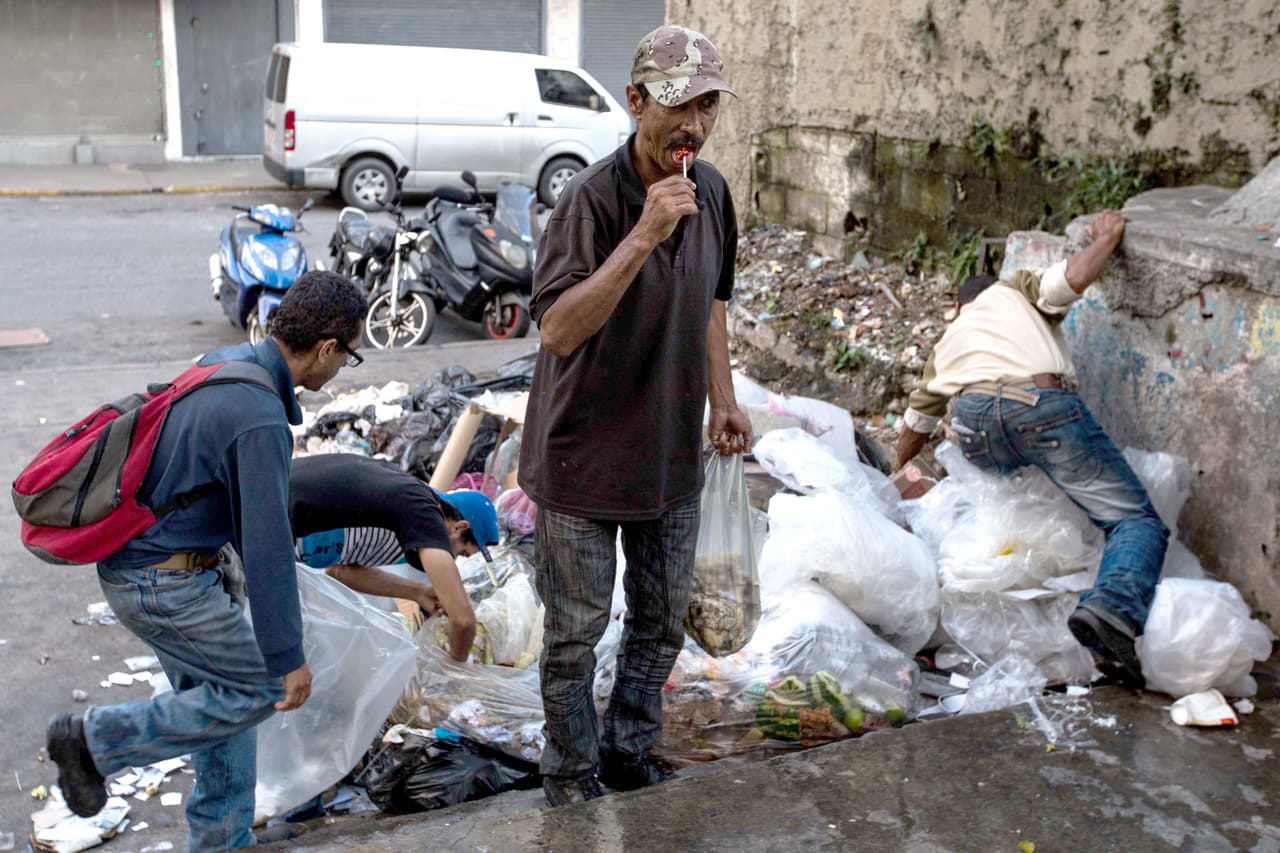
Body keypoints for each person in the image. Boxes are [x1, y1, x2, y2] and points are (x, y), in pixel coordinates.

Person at [45, 271, 367, 851]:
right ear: (326, 348)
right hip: (163, 583)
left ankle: (222, 839)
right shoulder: (260, 417)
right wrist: (286, 657)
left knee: (221, 715)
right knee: (251, 694)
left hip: (155, 568)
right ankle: (95, 741)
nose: (343, 367)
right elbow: (266, 543)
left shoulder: (227, 361)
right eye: (349, 355)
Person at [517, 24, 753, 807]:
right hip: (582, 460)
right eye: (679, 104)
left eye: (708, 107)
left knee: (660, 625)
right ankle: (570, 773)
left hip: (669, 454)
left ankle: (627, 749)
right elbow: (557, 330)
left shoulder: (712, 192)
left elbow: (713, 304)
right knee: (575, 636)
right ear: (636, 101)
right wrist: (645, 233)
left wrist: (722, 399)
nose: (694, 125)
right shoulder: (590, 200)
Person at [895, 210, 1168, 687]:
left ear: (959, 307)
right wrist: (1110, 236)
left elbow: (915, 425)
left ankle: (1024, 619)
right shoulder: (1016, 290)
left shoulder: (949, 339)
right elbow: (1076, 275)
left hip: (975, 425)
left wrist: (897, 485)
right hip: (1039, 408)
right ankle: (1113, 610)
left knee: (1016, 517)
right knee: (1135, 520)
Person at [288, 452, 500, 660]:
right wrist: (456, 671)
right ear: (458, 528)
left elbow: (340, 571)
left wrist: (417, 592)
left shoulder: (405, 525)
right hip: (271, 515)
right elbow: (463, 621)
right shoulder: (423, 512)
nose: (453, 560)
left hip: (280, 532)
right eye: (461, 552)